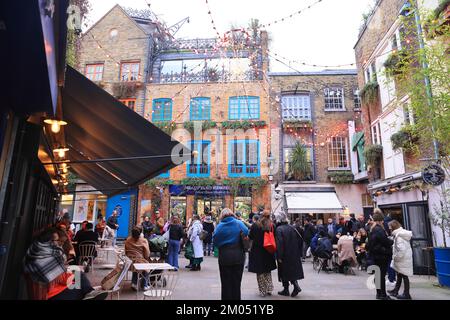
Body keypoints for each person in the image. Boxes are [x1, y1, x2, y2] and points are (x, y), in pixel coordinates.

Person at [23, 227, 108, 300]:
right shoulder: (49, 256)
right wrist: (72, 274)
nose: (59, 244)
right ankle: (90, 293)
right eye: (57, 240)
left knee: (78, 275)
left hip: (44, 292)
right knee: (80, 286)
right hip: (51, 295)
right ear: (48, 241)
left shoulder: (35, 252)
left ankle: (90, 293)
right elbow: (63, 280)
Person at [213, 208, 249, 300]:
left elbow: (215, 241)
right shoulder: (239, 223)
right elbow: (246, 232)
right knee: (237, 282)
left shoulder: (220, 226)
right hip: (238, 255)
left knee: (225, 282)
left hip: (224, 256)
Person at [366, 209, 394, 300]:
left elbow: (369, 244)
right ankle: (383, 295)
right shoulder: (379, 230)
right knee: (381, 276)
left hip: (375, 255)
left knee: (378, 276)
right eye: (382, 220)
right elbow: (385, 242)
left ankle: (379, 294)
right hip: (381, 255)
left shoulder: (372, 229)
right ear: (380, 220)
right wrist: (391, 241)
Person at [275, 212, 304, 297]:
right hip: (293, 253)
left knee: (284, 271)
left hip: (284, 254)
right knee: (291, 271)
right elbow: (300, 240)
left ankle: (289, 288)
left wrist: (279, 256)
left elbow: (279, 244)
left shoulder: (279, 229)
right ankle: (291, 287)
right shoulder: (292, 227)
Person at [248, 211, 277, 297]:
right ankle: (269, 288)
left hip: (257, 251)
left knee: (260, 272)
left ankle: (262, 291)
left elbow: (250, 237)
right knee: (267, 271)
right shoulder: (272, 226)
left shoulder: (255, 225)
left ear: (261, 216)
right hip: (268, 251)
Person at [388, 220, 413, 300]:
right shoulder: (401, 234)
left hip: (402, 259)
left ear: (393, 227)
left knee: (404, 276)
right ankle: (396, 291)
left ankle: (406, 294)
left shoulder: (399, 236)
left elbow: (401, 250)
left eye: (390, 227)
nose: (389, 229)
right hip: (405, 258)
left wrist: (395, 258)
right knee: (400, 275)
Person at [125, 226, 150, 291]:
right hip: (139, 262)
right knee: (146, 266)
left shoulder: (128, 240)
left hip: (129, 263)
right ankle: (144, 285)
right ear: (140, 233)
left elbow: (126, 252)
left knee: (136, 263)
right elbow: (147, 254)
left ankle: (134, 283)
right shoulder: (144, 240)